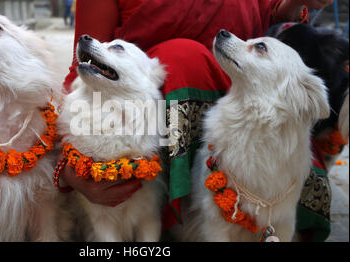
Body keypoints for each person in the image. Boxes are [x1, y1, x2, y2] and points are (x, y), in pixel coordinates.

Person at [58, 0, 335, 241]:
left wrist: (295, 2)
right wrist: (69, 168)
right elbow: (85, 66)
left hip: (254, 104)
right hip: (150, 113)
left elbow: (277, 14)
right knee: (181, 57)